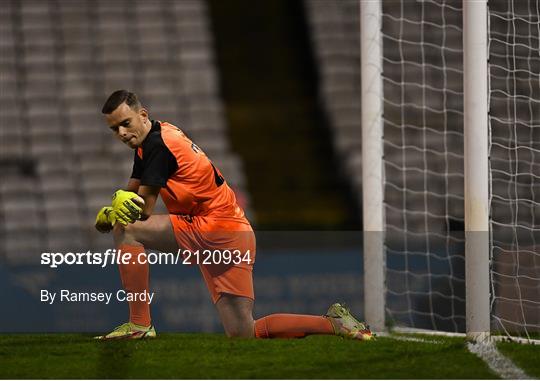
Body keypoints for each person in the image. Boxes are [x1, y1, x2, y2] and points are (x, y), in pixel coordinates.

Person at [94, 90, 373, 340]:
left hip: (215, 228)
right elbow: (131, 193)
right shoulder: (153, 138)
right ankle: (335, 324)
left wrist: (118, 214)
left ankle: (139, 324)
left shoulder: (157, 145)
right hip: (234, 232)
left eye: (125, 123)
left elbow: (142, 210)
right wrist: (111, 211)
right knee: (243, 331)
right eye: (114, 129)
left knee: (127, 230)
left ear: (142, 115)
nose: (121, 133)